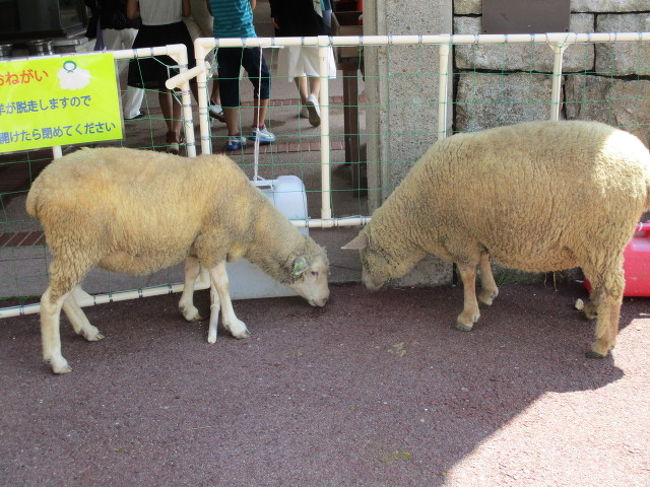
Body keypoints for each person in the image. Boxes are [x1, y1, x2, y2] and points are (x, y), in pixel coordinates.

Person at [126, 0, 197, 154]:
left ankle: (171, 132)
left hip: (149, 34)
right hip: (175, 32)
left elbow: (130, 14)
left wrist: (148, 13)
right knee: (179, 84)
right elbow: (186, 12)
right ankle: (176, 133)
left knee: (163, 86)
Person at [207, 0, 275, 151]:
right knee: (262, 79)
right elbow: (252, 5)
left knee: (227, 85)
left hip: (222, 39)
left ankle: (233, 135)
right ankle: (259, 127)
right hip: (246, 36)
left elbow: (211, 10)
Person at [269, 0, 336, 127]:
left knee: (296, 59)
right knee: (319, 59)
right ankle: (314, 96)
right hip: (316, 11)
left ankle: (305, 102)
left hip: (287, 12)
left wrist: (274, 11)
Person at [90, 0, 146, 121]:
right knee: (137, 66)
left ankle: (111, 109)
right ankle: (132, 111)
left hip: (108, 23)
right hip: (133, 24)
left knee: (111, 66)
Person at [184, 0, 225, 122]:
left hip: (183, 11)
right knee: (223, 48)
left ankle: (207, 106)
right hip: (203, 8)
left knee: (196, 56)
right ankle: (213, 103)